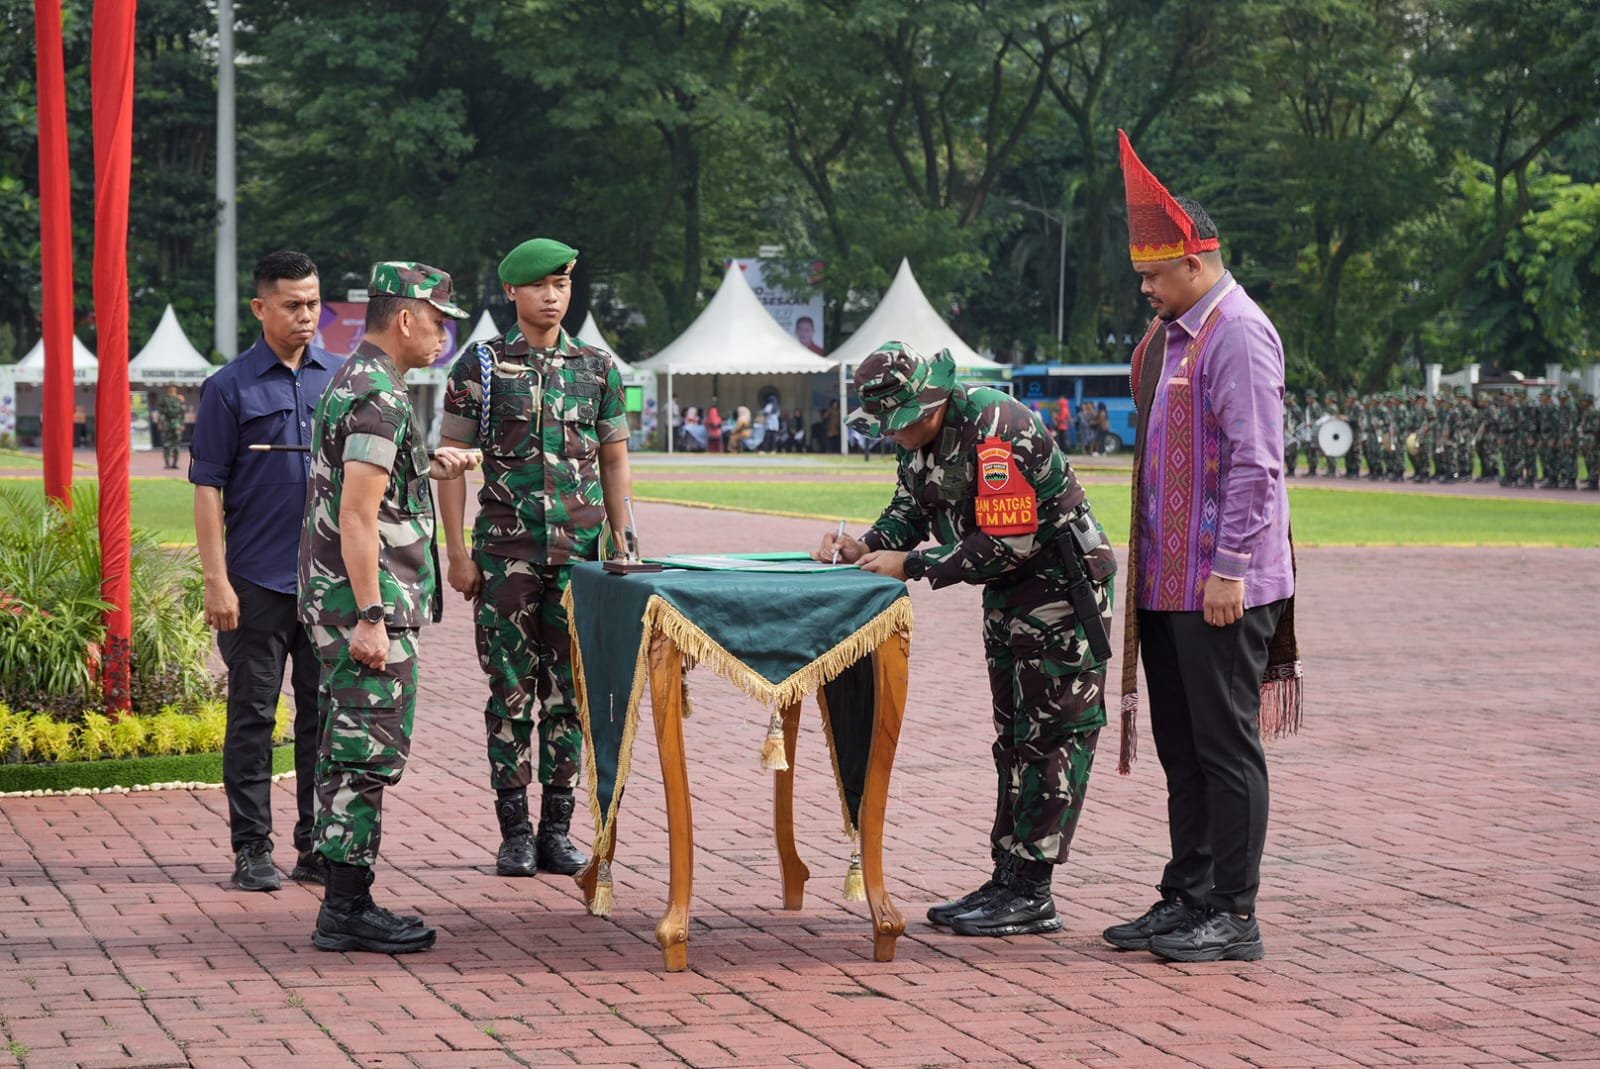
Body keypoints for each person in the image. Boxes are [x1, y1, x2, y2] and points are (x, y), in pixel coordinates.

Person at [815, 341, 1117, 938]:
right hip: (1009, 595)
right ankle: (1007, 877)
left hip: (1057, 589)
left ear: (928, 404)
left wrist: (916, 566)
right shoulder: (922, 442)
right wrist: (864, 545)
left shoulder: (995, 428)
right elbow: (909, 507)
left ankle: (1033, 890)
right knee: (1012, 737)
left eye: (896, 425)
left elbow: (1010, 541)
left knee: (1051, 739)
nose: (892, 437)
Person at [1103, 131, 1298, 963]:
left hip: (1221, 583)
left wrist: (1232, 570)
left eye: (1154, 274)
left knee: (1226, 748)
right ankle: (1187, 895)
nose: (1145, 289)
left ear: (1194, 260)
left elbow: (1258, 461)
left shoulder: (1237, 334)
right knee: (1184, 749)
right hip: (1169, 582)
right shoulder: (1173, 338)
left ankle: (1235, 912)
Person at [436, 237, 633, 880]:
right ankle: (515, 832)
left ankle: (557, 830)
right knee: (510, 694)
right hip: (505, 559)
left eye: (564, 285)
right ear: (513, 293)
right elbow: (452, 464)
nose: (554, 297)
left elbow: (613, 458)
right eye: (542, 286)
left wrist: (624, 540)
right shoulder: (481, 367)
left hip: (580, 559)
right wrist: (457, 553)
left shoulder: (599, 368)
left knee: (571, 695)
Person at [298, 261, 476, 952]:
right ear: (405, 319)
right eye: (436, 322)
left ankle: (344, 896)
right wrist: (372, 615)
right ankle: (346, 908)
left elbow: (369, 481)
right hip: (363, 607)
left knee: (344, 749)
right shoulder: (383, 396)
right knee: (365, 756)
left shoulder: (355, 379)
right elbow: (357, 514)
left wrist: (429, 466)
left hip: (336, 600)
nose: (441, 338)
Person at [190, 250, 339, 892]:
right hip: (255, 583)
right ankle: (252, 848)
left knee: (320, 718)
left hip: (326, 582)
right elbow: (207, 489)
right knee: (252, 718)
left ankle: (313, 846)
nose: (306, 316)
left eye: (313, 303)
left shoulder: (339, 380)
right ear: (261, 307)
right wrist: (216, 580)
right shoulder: (230, 388)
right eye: (292, 304)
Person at [156, 386, 187, 469]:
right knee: (166, 445)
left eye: (173, 389)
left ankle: (175, 463)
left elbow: (182, 412)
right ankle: (167, 463)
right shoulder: (164, 400)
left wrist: (182, 424)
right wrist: (160, 423)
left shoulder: (180, 400)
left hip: (177, 424)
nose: (172, 391)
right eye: (170, 389)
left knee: (176, 445)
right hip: (167, 424)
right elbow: (161, 413)